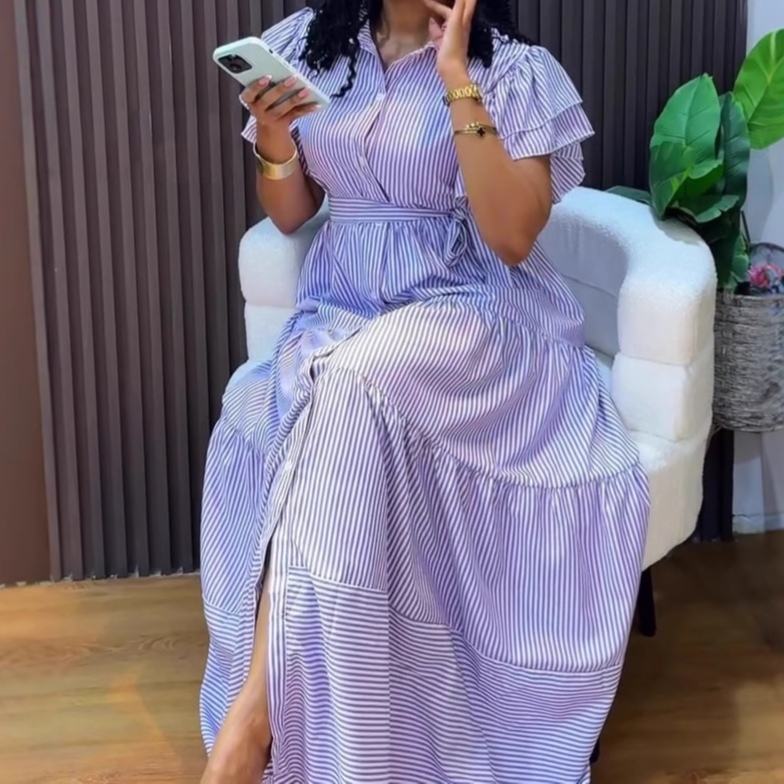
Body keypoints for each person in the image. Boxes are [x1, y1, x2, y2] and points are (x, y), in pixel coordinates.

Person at [199, 0, 650, 781]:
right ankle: (289, 715)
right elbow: (292, 213)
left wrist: (454, 76)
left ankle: (258, 719)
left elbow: (511, 237)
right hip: (341, 309)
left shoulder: (510, 71)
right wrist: (274, 138)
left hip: (472, 311)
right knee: (295, 394)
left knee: (350, 381)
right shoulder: (308, 46)